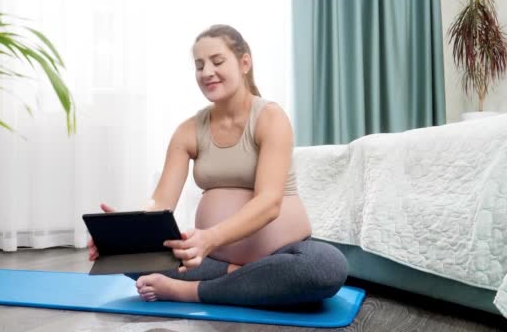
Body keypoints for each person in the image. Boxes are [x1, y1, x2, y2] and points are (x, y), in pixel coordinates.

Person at [88, 24, 347, 307]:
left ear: (244, 62)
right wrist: (125, 234)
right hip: (211, 259)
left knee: (325, 267)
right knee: (121, 256)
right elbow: (161, 202)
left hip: (283, 253)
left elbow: (270, 202)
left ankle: (185, 291)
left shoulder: (270, 118)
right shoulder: (187, 131)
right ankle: (244, 282)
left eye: (217, 61)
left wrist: (210, 238)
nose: (206, 72)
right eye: (199, 66)